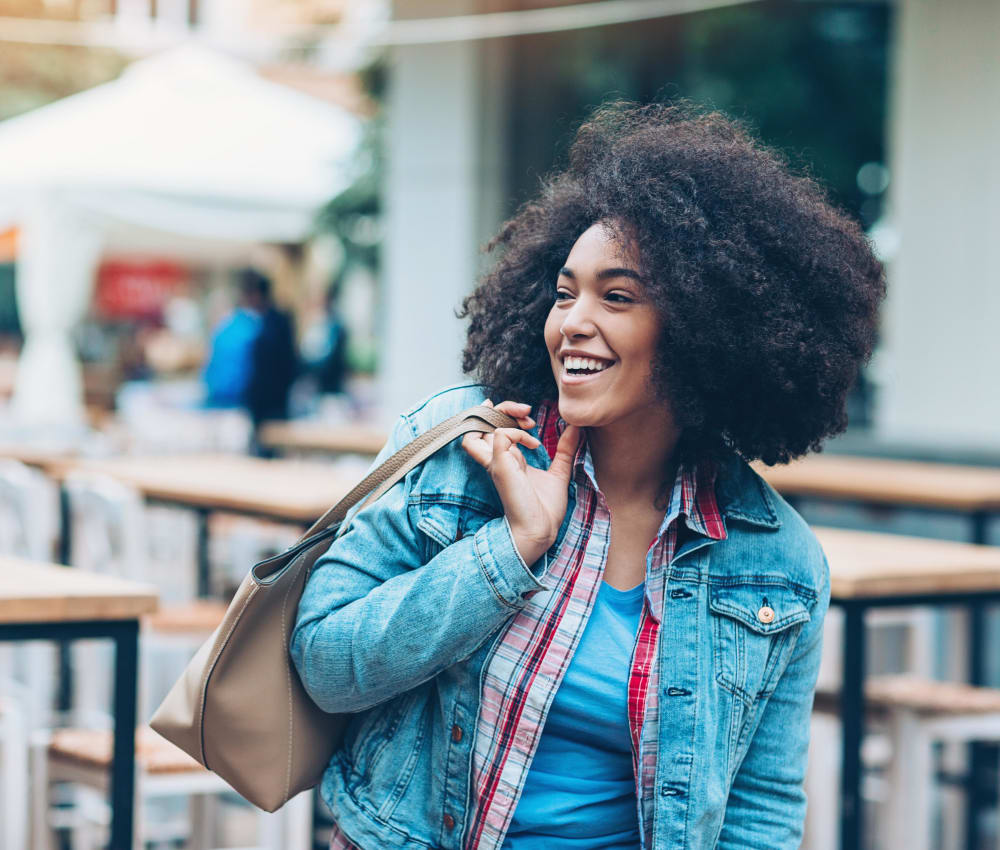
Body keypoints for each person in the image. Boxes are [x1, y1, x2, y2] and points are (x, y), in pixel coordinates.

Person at [292, 100, 886, 849]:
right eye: (566, 291)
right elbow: (324, 663)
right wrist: (506, 553)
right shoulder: (458, 452)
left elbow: (758, 810)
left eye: (618, 296)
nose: (572, 321)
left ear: (706, 329)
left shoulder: (778, 564)